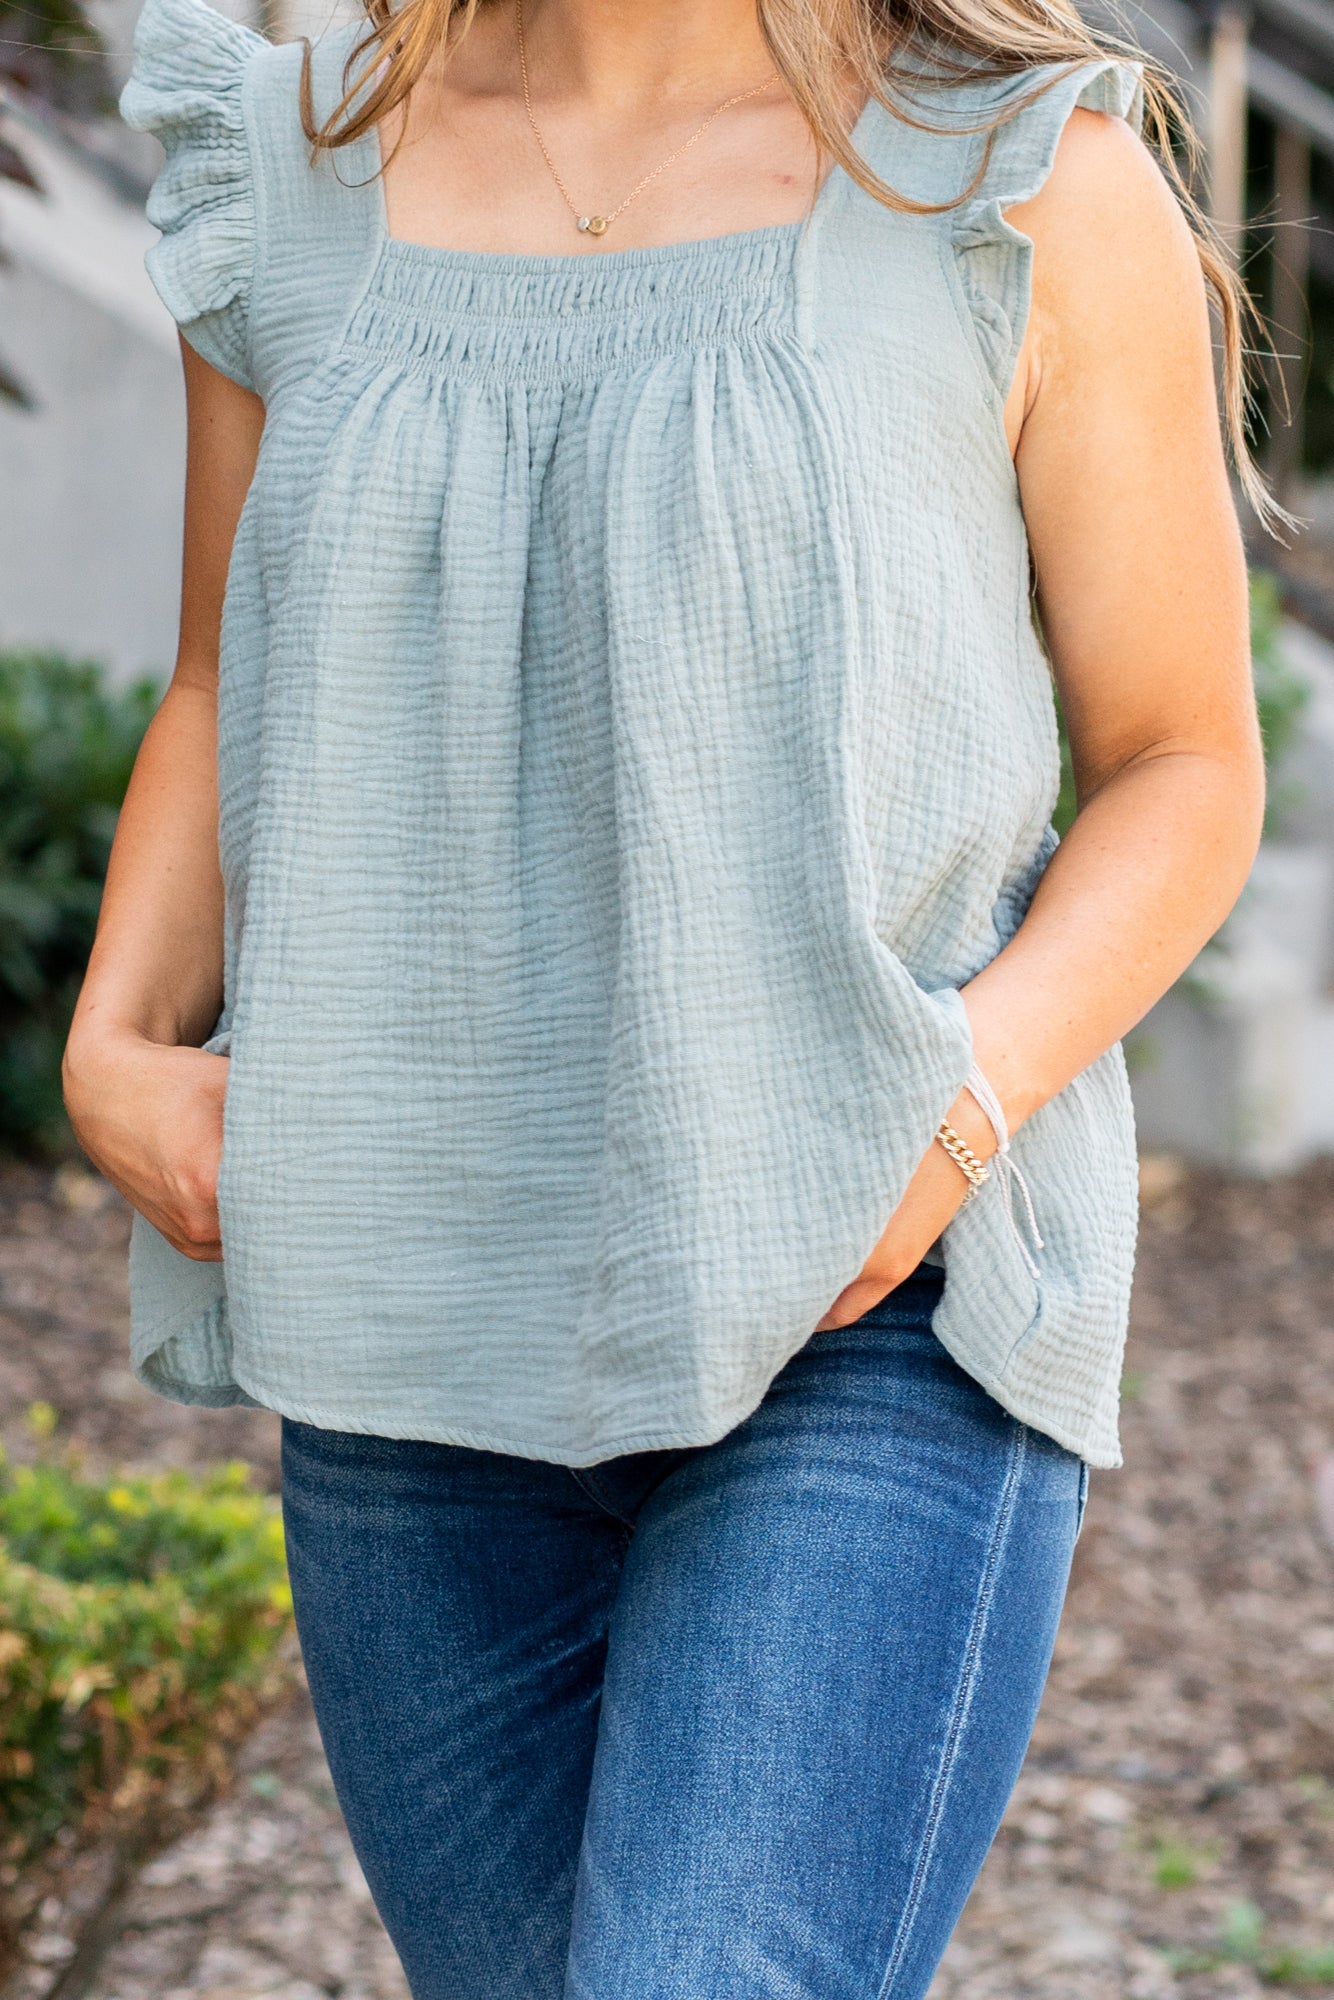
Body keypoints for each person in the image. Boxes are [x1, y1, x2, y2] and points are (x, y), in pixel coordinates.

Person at [65, 0, 1264, 1988]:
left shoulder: (1016, 176)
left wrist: (960, 1111)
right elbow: (214, 681)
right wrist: (117, 1044)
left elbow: (1183, 762)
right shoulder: (285, 162)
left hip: (871, 1316)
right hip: (403, 1337)